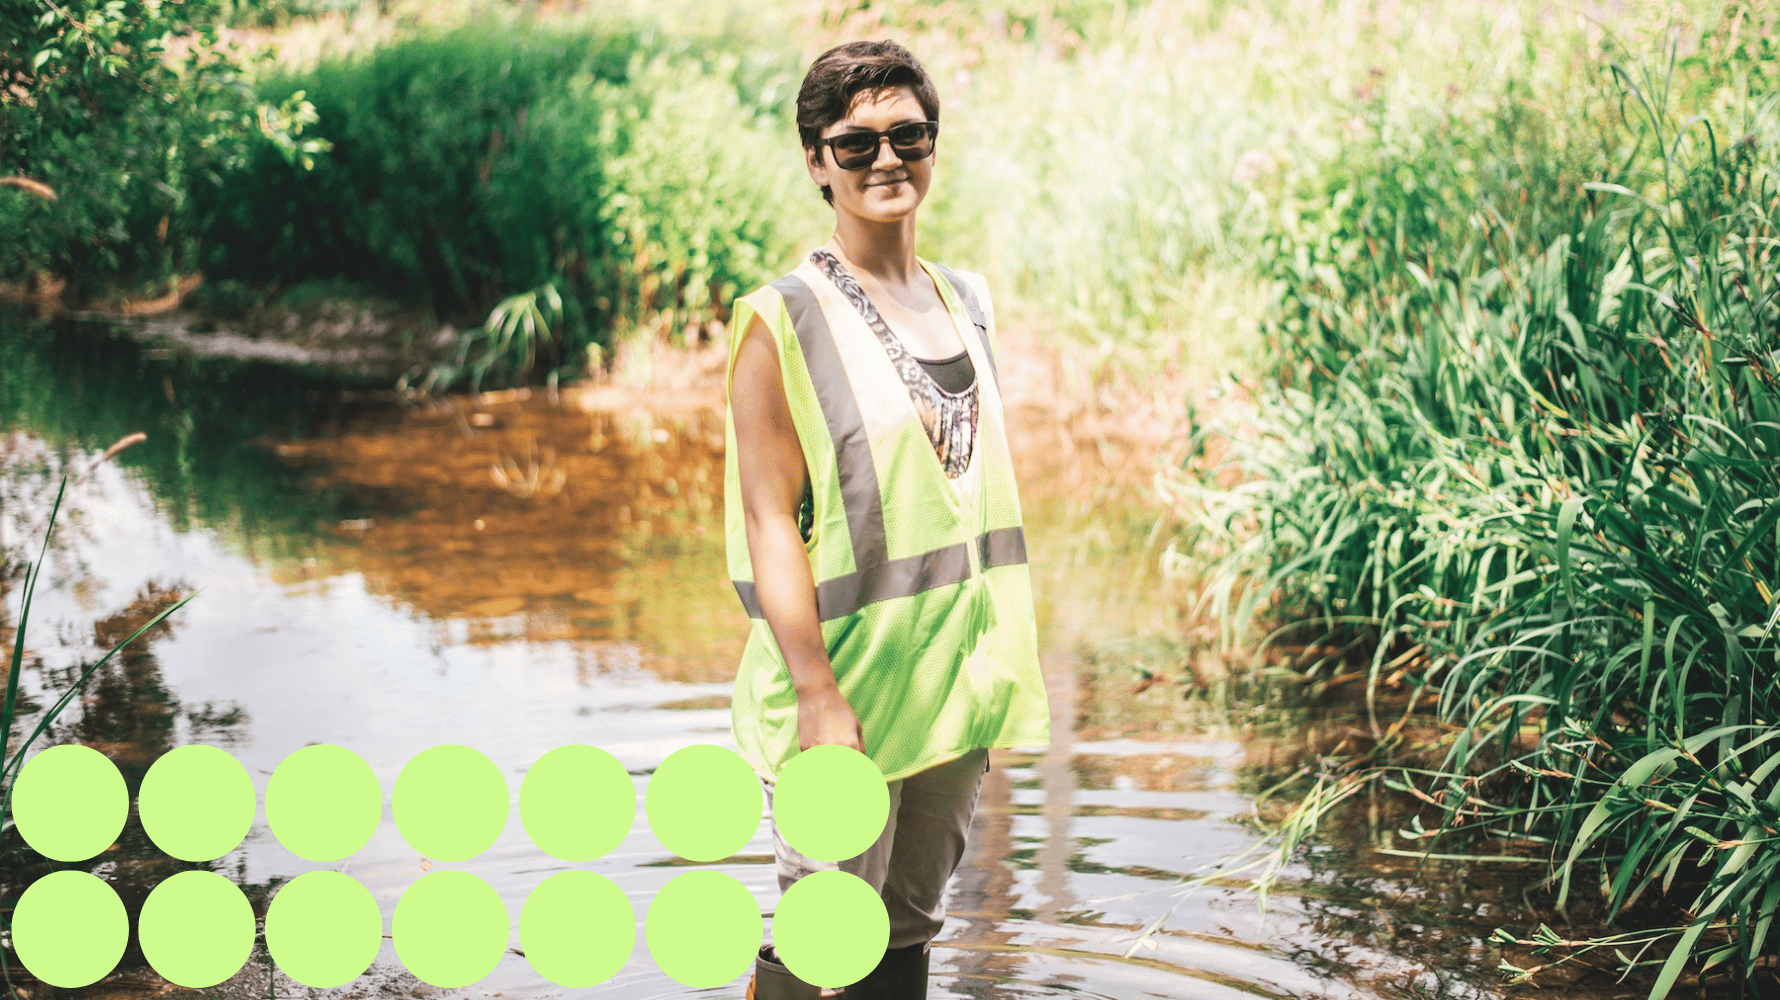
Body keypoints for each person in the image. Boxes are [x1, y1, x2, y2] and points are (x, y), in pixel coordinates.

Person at [723, 39, 1052, 1000]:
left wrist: (986, 670)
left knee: (906, 937)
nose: (885, 160)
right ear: (817, 163)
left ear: (933, 144)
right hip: (847, 693)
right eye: (854, 143)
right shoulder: (780, 321)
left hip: (950, 687)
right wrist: (817, 692)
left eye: (906, 134)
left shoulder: (969, 301)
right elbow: (768, 521)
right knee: (827, 942)